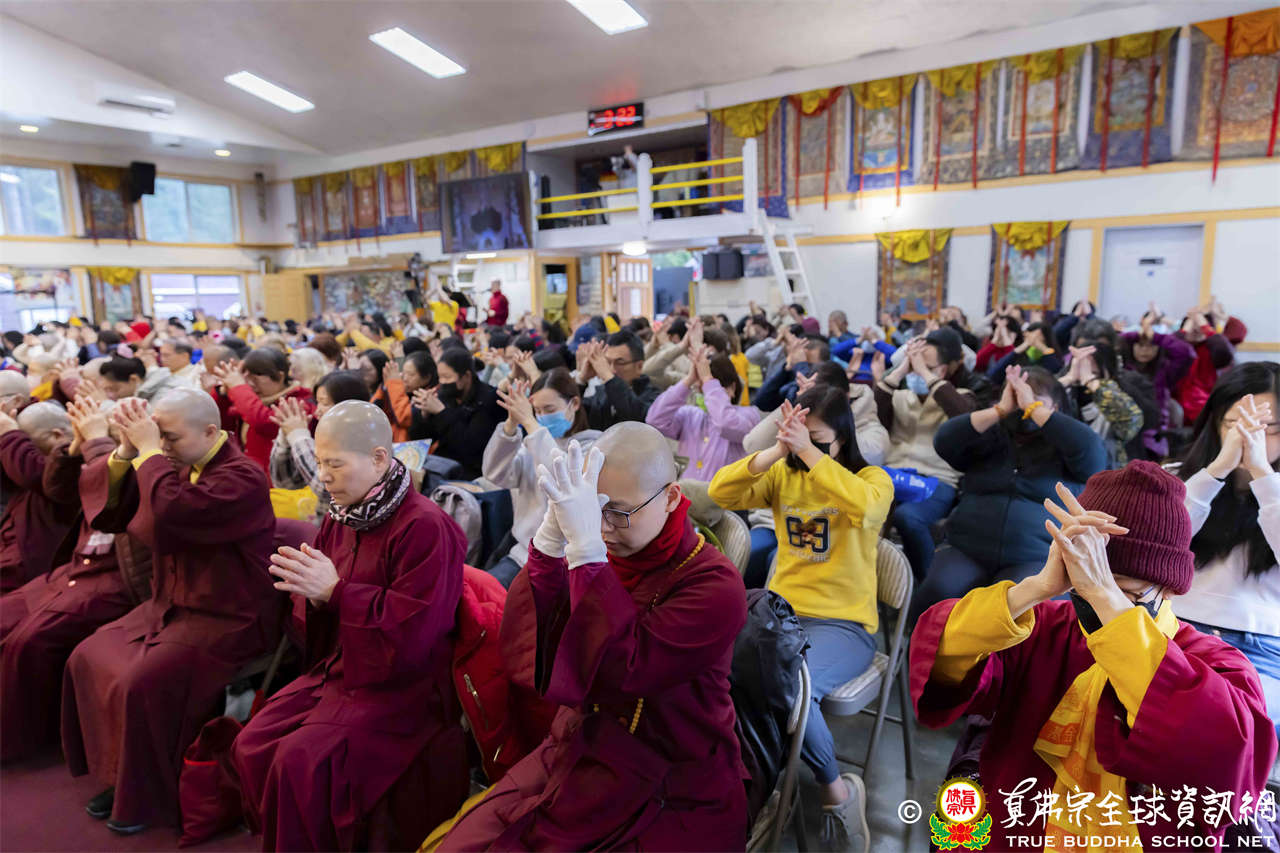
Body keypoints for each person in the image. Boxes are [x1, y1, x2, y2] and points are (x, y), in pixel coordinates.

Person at [909, 464, 1278, 851]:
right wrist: (1034, 589)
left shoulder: (1214, 662)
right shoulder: (1042, 626)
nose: (1098, 603)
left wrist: (1105, 598)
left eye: (1126, 594)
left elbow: (1227, 762)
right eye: (1084, 585)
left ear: (1169, 589)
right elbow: (944, 654)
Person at [439, 425, 748, 851]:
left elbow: (624, 670)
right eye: (593, 510)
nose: (603, 529)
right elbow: (533, 643)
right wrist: (549, 543)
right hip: (578, 744)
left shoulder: (715, 585)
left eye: (617, 513)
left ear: (671, 498)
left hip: (669, 771)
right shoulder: (604, 554)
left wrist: (587, 552)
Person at [233, 401, 468, 851]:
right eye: (320, 463)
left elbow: (416, 633)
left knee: (299, 763)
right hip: (340, 667)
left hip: (402, 688)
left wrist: (335, 593)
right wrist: (311, 594)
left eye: (335, 464)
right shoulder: (343, 515)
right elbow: (319, 602)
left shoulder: (425, 527)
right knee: (252, 743)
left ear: (379, 458)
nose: (323, 476)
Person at [62, 389, 279, 834]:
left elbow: (171, 511)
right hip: (170, 602)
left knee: (142, 682)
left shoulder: (244, 476)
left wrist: (148, 453)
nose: (162, 447)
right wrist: (127, 450)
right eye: (157, 436)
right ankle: (120, 776)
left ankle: (147, 795)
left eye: (170, 438)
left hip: (228, 614)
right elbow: (115, 514)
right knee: (87, 656)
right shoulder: (174, 463)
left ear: (211, 432)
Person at [710, 388, 890, 851]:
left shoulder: (870, 479)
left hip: (844, 626)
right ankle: (758, 783)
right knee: (723, 671)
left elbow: (869, 508)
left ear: (843, 438)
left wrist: (809, 453)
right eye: (799, 437)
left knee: (790, 685)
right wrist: (776, 450)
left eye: (819, 439)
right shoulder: (783, 474)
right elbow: (719, 492)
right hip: (781, 618)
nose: (805, 447)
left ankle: (837, 791)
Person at [0, 397, 140, 762]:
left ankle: (21, 738)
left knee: (30, 640)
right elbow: (58, 488)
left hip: (115, 577)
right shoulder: (93, 458)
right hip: (74, 569)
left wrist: (100, 443)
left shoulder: (151, 466)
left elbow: (115, 493)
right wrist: (76, 446)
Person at [909, 366, 1108, 622]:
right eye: (1017, 397)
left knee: (1023, 613)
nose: (1022, 406)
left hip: (1035, 557)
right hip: (967, 548)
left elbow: (1094, 454)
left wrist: (1034, 408)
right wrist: (1000, 410)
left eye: (1034, 399)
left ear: (1055, 407)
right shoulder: (991, 436)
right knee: (937, 594)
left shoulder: (1070, 444)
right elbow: (944, 440)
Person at [1176, 363, 1280, 739]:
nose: (1250, 437)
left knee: (1232, 731)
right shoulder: (1181, 478)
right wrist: (1216, 471)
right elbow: (1164, 541)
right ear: (1216, 423)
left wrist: (1263, 475)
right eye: (1235, 424)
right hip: (1176, 629)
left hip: (1260, 646)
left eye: (1267, 427)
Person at [873, 328, 982, 582]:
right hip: (893, 474)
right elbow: (875, 415)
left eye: (926, 366)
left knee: (908, 517)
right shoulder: (899, 396)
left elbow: (965, 419)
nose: (917, 371)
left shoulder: (959, 396)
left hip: (937, 480)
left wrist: (926, 375)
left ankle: (929, 583)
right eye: (913, 364)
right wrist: (900, 370)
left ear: (942, 370)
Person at [482, 367, 600, 587]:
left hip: (562, 561)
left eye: (549, 409)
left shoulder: (592, 446)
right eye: (537, 410)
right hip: (522, 551)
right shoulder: (534, 442)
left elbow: (565, 483)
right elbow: (495, 474)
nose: (542, 416)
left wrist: (530, 423)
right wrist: (511, 425)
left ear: (574, 404)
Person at [645, 346, 759, 481]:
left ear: (732, 387)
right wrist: (688, 380)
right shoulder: (690, 415)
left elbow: (725, 423)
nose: (706, 395)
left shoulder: (748, 415)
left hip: (723, 494)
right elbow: (654, 419)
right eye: (700, 389)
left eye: (711, 388)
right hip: (687, 493)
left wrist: (708, 380)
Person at [268, 371, 372, 515]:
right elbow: (286, 482)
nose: (317, 411)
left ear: (348, 406)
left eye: (325, 403)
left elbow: (328, 489)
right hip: (326, 525)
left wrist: (298, 436)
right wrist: (285, 436)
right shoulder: (327, 438)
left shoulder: (366, 441)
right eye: (317, 402)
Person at [0, 402, 78, 593]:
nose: (27, 449)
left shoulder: (75, 461)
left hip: (32, 571)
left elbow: (37, 475)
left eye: (28, 443)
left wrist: (10, 435)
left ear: (57, 436)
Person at [211, 348, 315, 477]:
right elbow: (220, 424)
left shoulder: (300, 401)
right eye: (246, 377)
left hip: (278, 483)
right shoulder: (248, 399)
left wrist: (238, 387)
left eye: (257, 377)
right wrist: (223, 394)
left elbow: (264, 423)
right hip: (246, 475)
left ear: (280, 376)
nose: (250, 383)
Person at [410, 347, 503, 479]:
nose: (442, 382)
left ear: (466, 376)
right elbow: (422, 439)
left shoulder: (488, 399)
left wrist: (441, 412)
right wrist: (425, 415)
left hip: (474, 472)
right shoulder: (445, 395)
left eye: (447, 377)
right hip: (443, 465)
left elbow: (471, 446)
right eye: (440, 377)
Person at [577, 331, 660, 430]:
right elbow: (573, 414)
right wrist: (581, 380)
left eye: (619, 362)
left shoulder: (655, 397)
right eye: (608, 362)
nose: (612, 370)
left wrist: (608, 376)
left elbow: (636, 417)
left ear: (639, 366)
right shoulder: (601, 394)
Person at [381, 350, 436, 442]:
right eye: (404, 373)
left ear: (427, 378)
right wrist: (386, 385)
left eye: (411, 375)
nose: (405, 379)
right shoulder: (410, 391)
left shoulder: (430, 397)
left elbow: (403, 418)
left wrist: (395, 385)